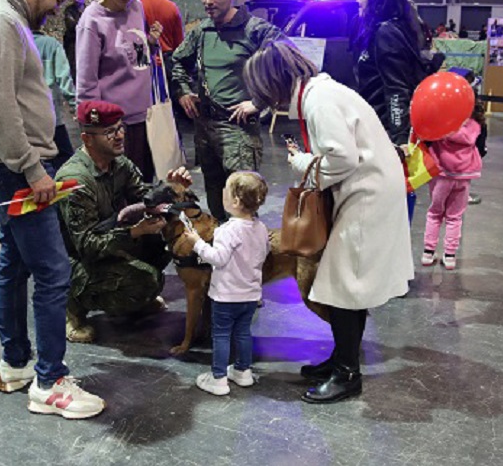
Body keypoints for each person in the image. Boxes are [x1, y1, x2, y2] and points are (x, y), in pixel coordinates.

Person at [0, 0, 105, 420]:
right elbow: (0, 107)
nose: (57, 9)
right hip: (16, 167)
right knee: (53, 271)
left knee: (15, 262)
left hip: (6, 164)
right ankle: (50, 381)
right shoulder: (1, 23)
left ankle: (16, 363)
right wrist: (32, 168)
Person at [243, 40, 413, 404]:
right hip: (366, 190)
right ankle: (341, 359)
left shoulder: (318, 101)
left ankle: (347, 374)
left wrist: (303, 164)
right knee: (345, 284)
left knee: (345, 285)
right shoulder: (320, 93)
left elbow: (341, 158)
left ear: (275, 81)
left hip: (367, 195)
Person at [55, 101, 192, 343]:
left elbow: (144, 196)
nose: (119, 136)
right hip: (75, 259)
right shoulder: (76, 181)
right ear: (87, 139)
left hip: (107, 240)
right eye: (109, 132)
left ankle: (135, 299)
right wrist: (134, 232)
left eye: (120, 128)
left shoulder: (119, 163)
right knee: (145, 280)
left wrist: (171, 188)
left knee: (167, 241)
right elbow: (86, 245)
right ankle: (72, 307)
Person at [170, 0, 285, 221]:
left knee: (242, 202)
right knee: (215, 196)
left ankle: (246, 258)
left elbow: (289, 60)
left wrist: (260, 101)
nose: (208, 0)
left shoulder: (255, 30)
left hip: (238, 129)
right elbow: (178, 61)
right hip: (206, 127)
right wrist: (184, 92)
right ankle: (222, 254)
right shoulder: (202, 30)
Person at [353, 0, 442, 221]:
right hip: (376, 128)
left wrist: (399, 139)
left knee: (385, 206)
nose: (358, 0)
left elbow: (396, 89)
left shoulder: (386, 33)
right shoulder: (386, 29)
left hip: (383, 133)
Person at [76, 0, 159, 182]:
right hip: (115, 126)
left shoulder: (136, 7)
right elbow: (86, 86)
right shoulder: (91, 22)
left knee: (146, 189)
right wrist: (96, 135)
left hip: (145, 120)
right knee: (121, 199)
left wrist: (150, 45)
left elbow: (138, 60)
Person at [181, 171, 270, 396]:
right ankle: (243, 371)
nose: (222, 193)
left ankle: (218, 378)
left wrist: (197, 243)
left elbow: (217, 259)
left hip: (226, 296)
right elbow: (263, 252)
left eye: (225, 190)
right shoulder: (260, 228)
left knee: (220, 336)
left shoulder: (227, 230)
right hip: (250, 295)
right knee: (243, 333)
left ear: (236, 201)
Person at [420, 105, 485, 271]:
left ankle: (428, 253)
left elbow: (426, 139)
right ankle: (450, 256)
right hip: (464, 177)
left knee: (435, 213)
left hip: (441, 175)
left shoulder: (442, 124)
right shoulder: (475, 125)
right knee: (455, 217)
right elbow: (481, 148)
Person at [32, 18, 76, 171]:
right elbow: (64, 78)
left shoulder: (17, 44)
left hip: (27, 118)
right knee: (66, 161)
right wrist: (74, 105)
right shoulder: (51, 45)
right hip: (51, 114)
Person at [139, 0, 184, 76]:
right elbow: (180, 45)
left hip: (142, 63)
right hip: (167, 67)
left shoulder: (135, 6)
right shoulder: (172, 7)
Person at [63, 0, 85, 78]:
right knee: (73, 66)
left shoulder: (87, 10)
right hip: (72, 42)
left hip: (84, 42)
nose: (76, 0)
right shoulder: (69, 10)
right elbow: (71, 25)